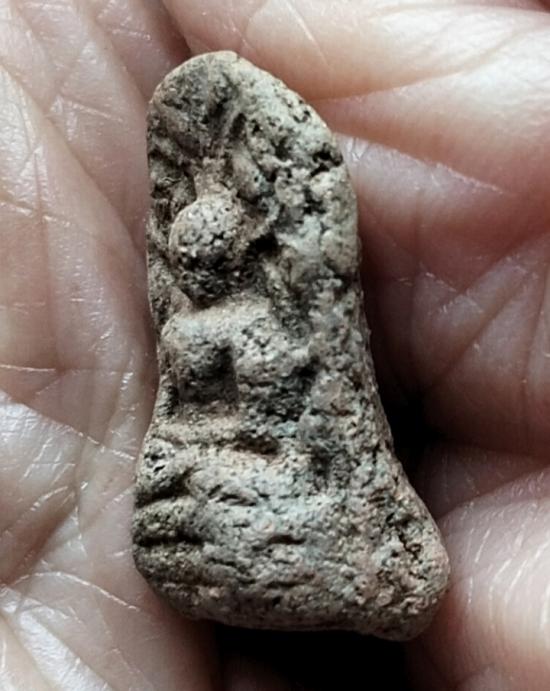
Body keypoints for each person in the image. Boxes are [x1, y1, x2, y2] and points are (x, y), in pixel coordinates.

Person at [1, 1, 549, 689]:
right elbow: (182, 411)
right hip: (208, 457)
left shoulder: (250, 325)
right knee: (176, 504)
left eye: (209, 258)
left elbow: (278, 410)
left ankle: (321, 544)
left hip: (270, 459)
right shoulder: (187, 320)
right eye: (185, 260)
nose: (194, 273)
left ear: (235, 256)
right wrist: (185, 451)